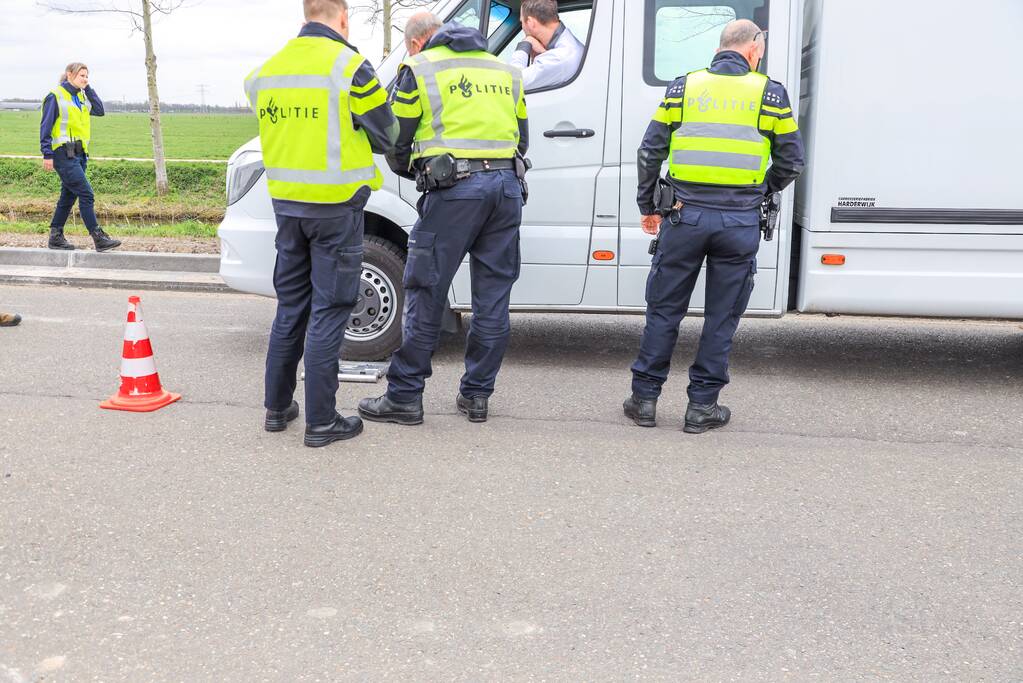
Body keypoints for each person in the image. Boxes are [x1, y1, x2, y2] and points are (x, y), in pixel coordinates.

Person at [623, 19, 805, 434]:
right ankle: (701, 406)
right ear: (753, 48)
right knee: (721, 317)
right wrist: (761, 191)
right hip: (738, 221)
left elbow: (650, 151)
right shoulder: (770, 93)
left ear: (721, 46)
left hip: (684, 216)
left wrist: (648, 203)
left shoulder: (682, 88)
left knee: (664, 310)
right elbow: (793, 161)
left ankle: (645, 400)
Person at [358, 13, 528, 426]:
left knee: (424, 290)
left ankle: (404, 396)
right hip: (506, 188)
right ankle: (476, 396)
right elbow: (522, 137)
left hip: (454, 192)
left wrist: (420, 171)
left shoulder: (419, 68)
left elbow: (397, 139)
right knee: (493, 299)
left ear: (416, 43)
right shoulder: (507, 71)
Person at [245, 0, 397, 447]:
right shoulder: (350, 66)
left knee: (291, 306)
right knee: (330, 310)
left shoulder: (267, 71)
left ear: (305, 15)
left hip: (287, 207)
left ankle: (277, 408)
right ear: (343, 17)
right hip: (335, 209)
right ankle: (322, 420)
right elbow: (387, 134)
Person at [40, 63, 121, 252]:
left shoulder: (81, 96)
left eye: (87, 76)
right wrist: (47, 154)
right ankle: (98, 237)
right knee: (86, 194)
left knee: (68, 196)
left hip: (80, 154)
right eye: (81, 75)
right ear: (69, 74)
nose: (85, 79)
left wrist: (88, 88)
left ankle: (55, 237)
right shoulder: (56, 96)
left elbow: (100, 110)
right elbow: (45, 127)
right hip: (62, 153)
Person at [508, 0, 584, 91]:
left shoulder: (559, 58)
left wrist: (525, 44)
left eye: (522, 22)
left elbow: (511, 83)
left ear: (530, 22)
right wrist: (540, 55)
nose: (522, 26)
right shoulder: (568, 45)